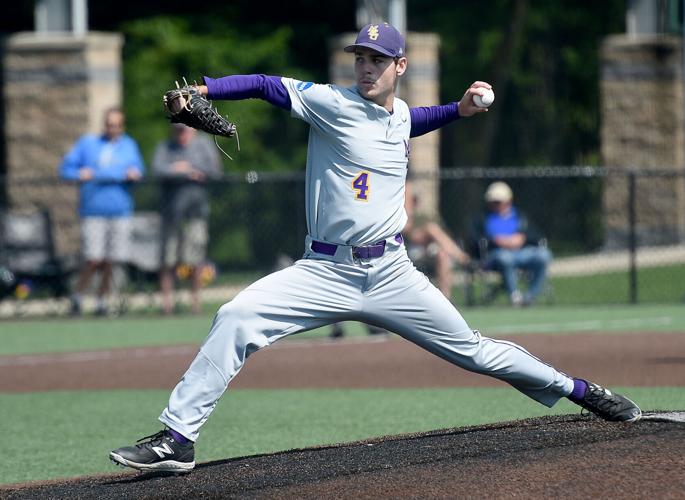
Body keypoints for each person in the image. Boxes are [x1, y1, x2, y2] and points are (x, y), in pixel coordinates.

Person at [110, 23, 641, 473]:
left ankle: (579, 390)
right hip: (323, 271)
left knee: (474, 351)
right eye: (360, 58)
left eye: (378, 59)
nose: (366, 68)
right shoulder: (330, 103)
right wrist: (207, 88)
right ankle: (177, 440)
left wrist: (458, 109)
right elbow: (268, 85)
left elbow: (415, 120)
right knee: (236, 316)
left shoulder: (402, 115)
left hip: (391, 273)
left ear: (400, 65)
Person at [59, 107, 144, 316]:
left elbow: (138, 170)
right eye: (109, 124)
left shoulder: (129, 146)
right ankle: (78, 297)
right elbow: (65, 169)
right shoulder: (88, 144)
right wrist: (80, 173)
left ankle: (102, 301)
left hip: (120, 210)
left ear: (121, 127)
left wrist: (133, 174)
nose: (112, 129)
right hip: (93, 210)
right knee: (93, 257)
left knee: (111, 260)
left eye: (116, 125)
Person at [152, 124, 222, 315]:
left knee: (196, 259)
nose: (180, 134)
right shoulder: (165, 147)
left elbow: (215, 170)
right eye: (177, 130)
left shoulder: (203, 145)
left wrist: (189, 169)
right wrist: (182, 171)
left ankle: (195, 304)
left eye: (184, 130)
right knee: (168, 259)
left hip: (196, 212)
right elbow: (157, 169)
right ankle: (167, 306)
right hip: (171, 214)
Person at [475, 181, 552, 306]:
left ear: (508, 201)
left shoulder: (520, 216)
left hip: (522, 252)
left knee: (543, 255)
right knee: (505, 258)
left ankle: (530, 296)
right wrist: (496, 240)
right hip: (497, 254)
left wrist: (522, 238)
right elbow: (476, 238)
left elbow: (535, 235)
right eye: (492, 202)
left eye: (498, 202)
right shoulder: (483, 218)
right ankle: (514, 296)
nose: (495, 205)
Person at [403, 179, 470, 299]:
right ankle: (460, 256)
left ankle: (445, 298)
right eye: (410, 199)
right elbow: (412, 237)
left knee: (442, 254)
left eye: (414, 199)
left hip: (431, 249)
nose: (413, 202)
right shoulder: (402, 216)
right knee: (431, 229)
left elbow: (442, 235)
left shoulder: (425, 216)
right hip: (411, 250)